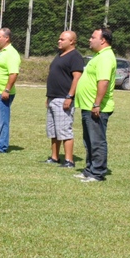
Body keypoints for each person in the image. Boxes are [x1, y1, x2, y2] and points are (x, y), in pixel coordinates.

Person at [74, 26, 117, 182]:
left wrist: (97, 104)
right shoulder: (98, 56)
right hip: (88, 106)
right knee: (89, 140)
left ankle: (97, 173)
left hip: (97, 108)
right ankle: (89, 170)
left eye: (93, 37)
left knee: (97, 140)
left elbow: (103, 82)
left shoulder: (106, 57)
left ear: (103, 40)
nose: (89, 40)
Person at [44, 30, 83, 168]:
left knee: (64, 130)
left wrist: (70, 96)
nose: (59, 41)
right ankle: (54, 157)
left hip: (63, 98)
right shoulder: (60, 55)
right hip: (53, 98)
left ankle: (69, 160)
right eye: (59, 39)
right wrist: (49, 97)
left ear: (72, 41)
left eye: (62, 39)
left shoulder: (75, 56)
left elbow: (77, 77)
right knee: (53, 131)